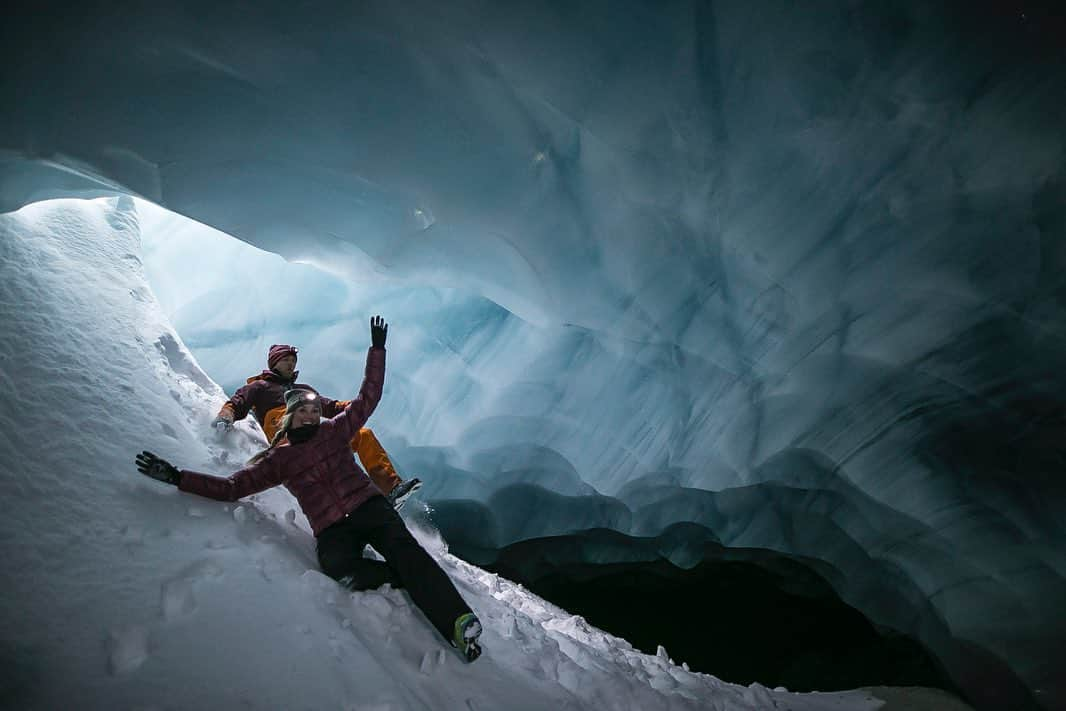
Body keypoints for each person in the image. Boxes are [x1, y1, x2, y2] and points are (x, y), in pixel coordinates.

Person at [135, 316, 483, 661]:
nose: (311, 413)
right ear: (291, 411)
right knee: (341, 569)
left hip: (366, 506)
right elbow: (232, 486)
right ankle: (405, 576)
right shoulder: (275, 438)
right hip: (332, 527)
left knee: (407, 548)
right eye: (304, 410)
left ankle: (457, 622)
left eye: (315, 410)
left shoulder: (332, 429)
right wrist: (179, 476)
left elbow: (365, 399)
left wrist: (377, 351)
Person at [211, 340, 421, 510]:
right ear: (274, 362)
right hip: (285, 430)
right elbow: (237, 403)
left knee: (363, 434)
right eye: (286, 360)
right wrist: (226, 415)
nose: (291, 363)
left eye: (293, 360)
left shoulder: (304, 390)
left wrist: (358, 405)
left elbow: (330, 407)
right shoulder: (260, 386)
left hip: (315, 431)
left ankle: (391, 488)